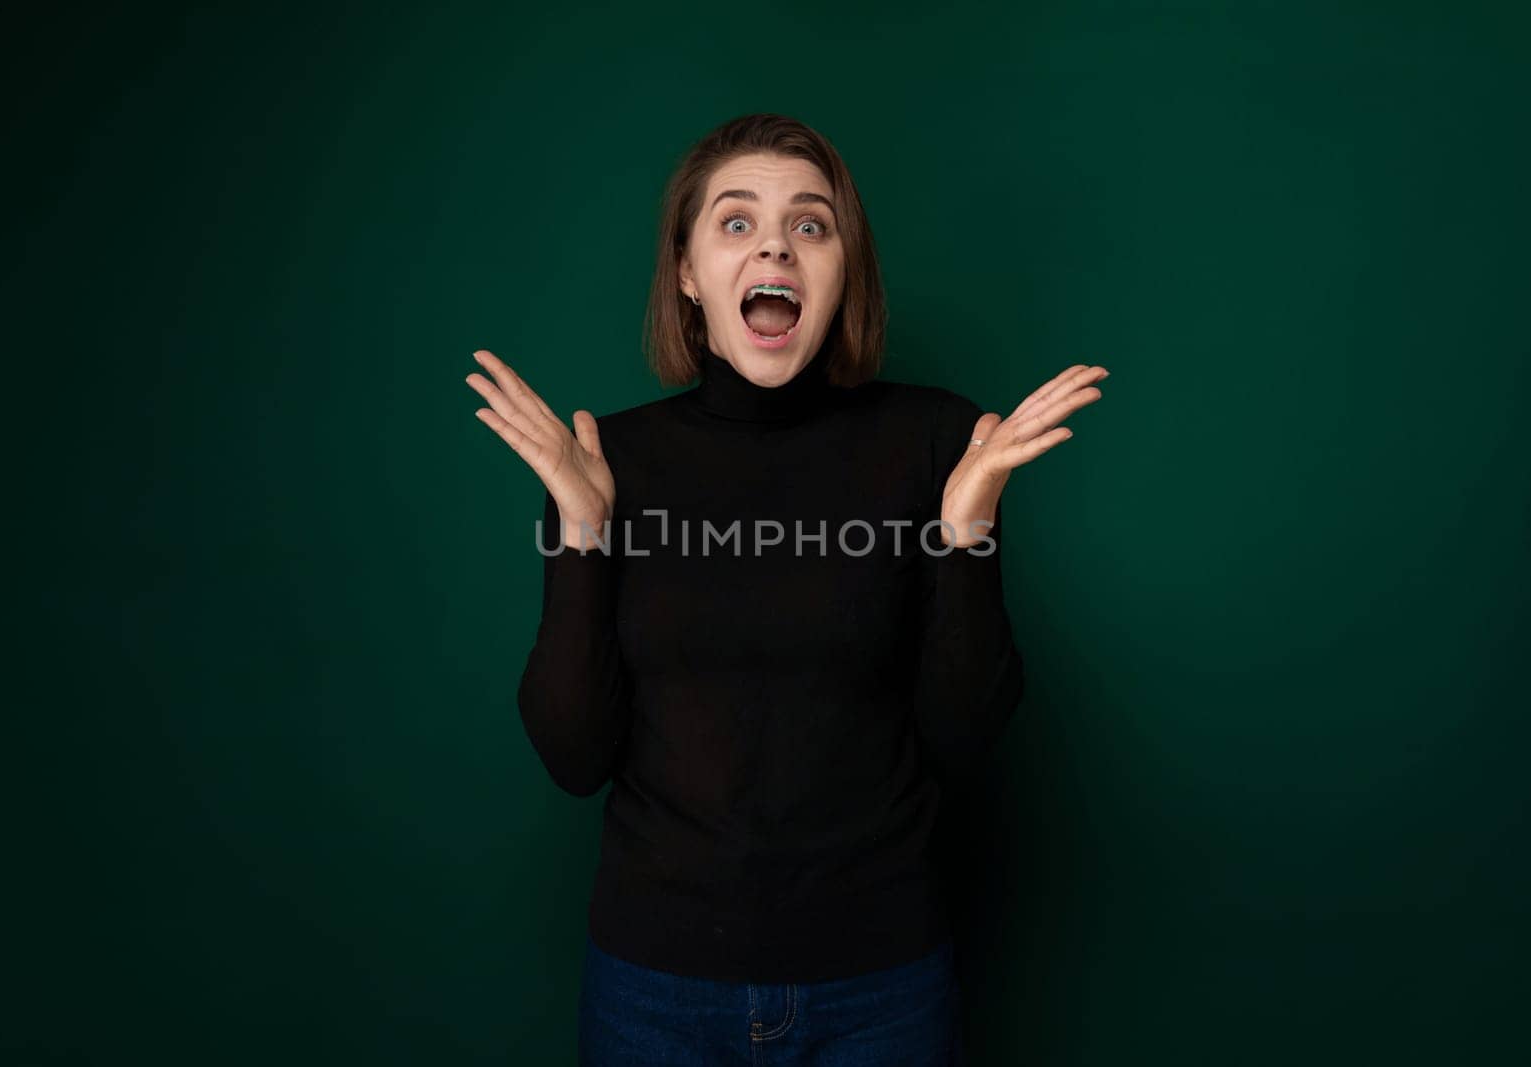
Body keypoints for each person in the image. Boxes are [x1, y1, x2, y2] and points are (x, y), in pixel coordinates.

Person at [465, 113, 1107, 1065]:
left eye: (811, 224)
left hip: (881, 988)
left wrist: (966, 524)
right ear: (687, 274)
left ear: (844, 270)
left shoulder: (940, 446)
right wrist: (581, 528)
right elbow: (573, 754)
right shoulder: (612, 461)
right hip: (656, 991)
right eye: (735, 222)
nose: (775, 241)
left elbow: (967, 735)